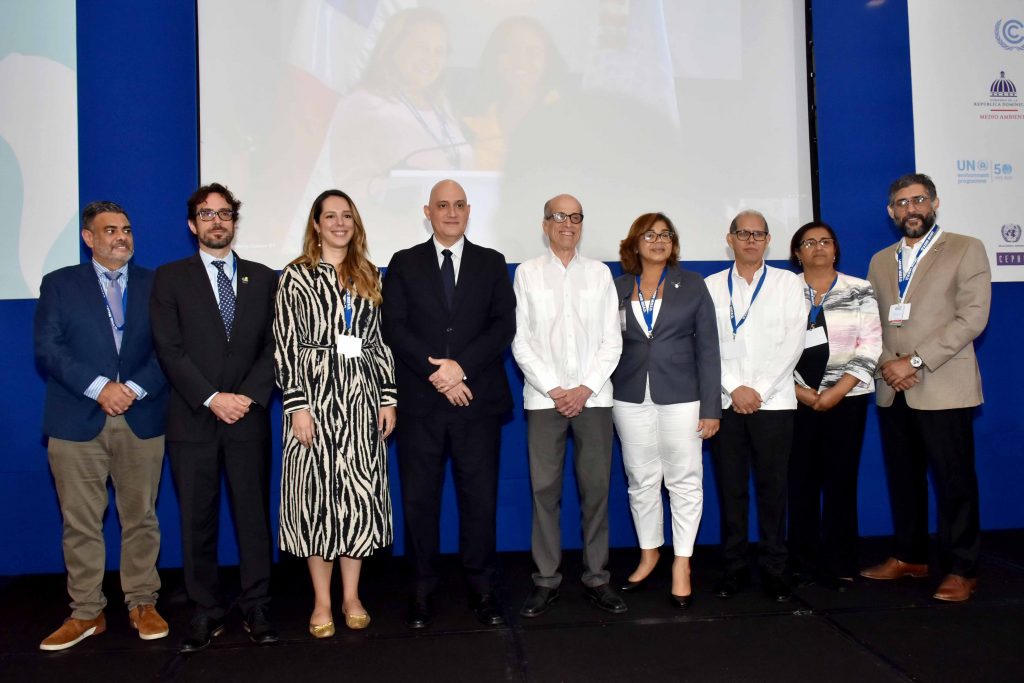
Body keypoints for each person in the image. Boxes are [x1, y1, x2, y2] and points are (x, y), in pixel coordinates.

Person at [34, 201, 169, 651]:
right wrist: (99, 388)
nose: (121, 237)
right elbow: (49, 349)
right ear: (88, 238)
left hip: (141, 416)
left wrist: (130, 388)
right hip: (76, 420)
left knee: (141, 520)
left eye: (127, 229)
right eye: (110, 230)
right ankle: (87, 613)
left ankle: (141, 603)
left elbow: (172, 347)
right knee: (80, 524)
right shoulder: (59, 285)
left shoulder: (157, 284)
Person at [150, 183, 279, 652]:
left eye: (225, 214)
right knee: (197, 521)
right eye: (207, 214)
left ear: (235, 222)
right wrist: (211, 397)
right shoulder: (170, 278)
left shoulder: (265, 278)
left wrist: (244, 397)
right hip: (193, 420)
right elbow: (169, 349)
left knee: (252, 517)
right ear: (192, 224)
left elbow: (274, 347)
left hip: (247, 417)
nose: (217, 222)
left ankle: (257, 604)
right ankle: (206, 611)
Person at [381, 179, 516, 628]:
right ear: (428, 211)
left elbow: (502, 326)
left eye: (459, 205)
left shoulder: (492, 263)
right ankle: (421, 588)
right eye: (443, 205)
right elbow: (394, 327)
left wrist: (461, 368)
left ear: (469, 210)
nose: (451, 212)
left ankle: (482, 586)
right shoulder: (403, 263)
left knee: (480, 500)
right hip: (422, 405)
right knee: (420, 500)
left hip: (476, 402)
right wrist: (439, 374)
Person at [860, 173, 991, 602]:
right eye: (900, 203)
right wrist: (888, 365)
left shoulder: (966, 248)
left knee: (955, 481)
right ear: (890, 211)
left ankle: (961, 569)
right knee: (904, 477)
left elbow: (972, 318)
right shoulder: (881, 260)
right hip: (892, 385)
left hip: (942, 382)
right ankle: (910, 555)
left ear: (934, 203)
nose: (909, 209)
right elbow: (871, 323)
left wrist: (914, 360)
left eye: (917, 200)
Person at [273, 190, 397, 638]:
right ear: (316, 224)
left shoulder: (367, 275)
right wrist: (298, 406)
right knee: (316, 500)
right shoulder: (296, 276)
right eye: (331, 216)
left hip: (361, 401)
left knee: (357, 500)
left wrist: (387, 397)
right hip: (315, 400)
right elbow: (285, 345)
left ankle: (351, 595)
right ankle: (322, 600)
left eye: (347, 216)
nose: (339, 223)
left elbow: (379, 342)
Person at [512, 194, 625, 617]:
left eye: (576, 217)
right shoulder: (527, 273)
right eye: (560, 216)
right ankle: (546, 580)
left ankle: (597, 578)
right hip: (544, 400)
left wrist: (584, 388)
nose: (568, 224)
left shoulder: (599, 274)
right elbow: (520, 339)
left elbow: (612, 340)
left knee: (595, 489)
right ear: (545, 224)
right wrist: (556, 388)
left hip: (594, 399)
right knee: (545, 491)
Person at [611, 213, 720, 608]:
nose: (658, 240)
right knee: (640, 479)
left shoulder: (691, 285)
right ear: (634, 243)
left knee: (684, 481)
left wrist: (712, 408)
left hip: (683, 397)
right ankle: (649, 552)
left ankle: (682, 562)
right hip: (629, 396)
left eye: (665, 234)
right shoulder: (619, 287)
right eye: (649, 234)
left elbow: (709, 349)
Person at [704, 210, 805, 602]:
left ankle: (775, 569)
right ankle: (733, 568)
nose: (750, 240)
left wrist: (758, 389)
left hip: (775, 402)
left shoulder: (787, 284)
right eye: (743, 233)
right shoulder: (711, 286)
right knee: (731, 490)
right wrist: (733, 387)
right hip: (727, 403)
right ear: (729, 239)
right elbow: (705, 346)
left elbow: (792, 342)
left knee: (773, 489)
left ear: (767, 241)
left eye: (758, 234)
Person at [787, 221, 882, 591]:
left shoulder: (859, 289)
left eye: (825, 241)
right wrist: (802, 393)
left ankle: (841, 561)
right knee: (800, 484)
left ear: (836, 249)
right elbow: (772, 347)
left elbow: (871, 345)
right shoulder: (784, 290)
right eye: (809, 242)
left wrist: (836, 391)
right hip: (794, 401)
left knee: (841, 482)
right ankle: (802, 563)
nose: (818, 247)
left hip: (846, 400)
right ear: (798, 253)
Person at [329, 8, 473, 202]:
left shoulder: (442, 108)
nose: (430, 58)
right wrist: (403, 188)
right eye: (420, 47)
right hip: (389, 226)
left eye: (439, 51)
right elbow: (349, 187)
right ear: (393, 48)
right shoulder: (364, 103)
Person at [462, 16, 567, 170]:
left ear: (547, 61)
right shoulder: (469, 117)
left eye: (533, 52)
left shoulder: (566, 115)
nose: (521, 60)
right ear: (494, 58)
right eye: (510, 50)